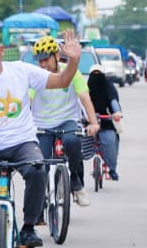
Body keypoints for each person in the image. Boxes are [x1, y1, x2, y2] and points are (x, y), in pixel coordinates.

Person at [0, 30, 81, 248]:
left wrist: (73, 60)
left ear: (0, 51)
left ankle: (29, 227)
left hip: (22, 143)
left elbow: (61, 80)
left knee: (37, 169)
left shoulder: (22, 71)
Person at [28, 36, 98, 208]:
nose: (42, 64)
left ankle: (76, 183)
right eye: (39, 60)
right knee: (39, 163)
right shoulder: (35, 75)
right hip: (42, 124)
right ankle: (39, 202)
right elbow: (27, 101)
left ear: (57, 56)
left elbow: (84, 96)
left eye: (45, 59)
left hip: (67, 120)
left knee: (72, 141)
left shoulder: (71, 71)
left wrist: (93, 122)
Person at [86, 65, 122, 180]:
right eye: (94, 74)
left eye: (99, 74)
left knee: (111, 141)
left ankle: (112, 169)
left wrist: (116, 112)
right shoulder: (85, 87)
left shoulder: (108, 86)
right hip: (87, 122)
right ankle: (75, 175)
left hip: (105, 119)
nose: (96, 77)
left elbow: (113, 100)